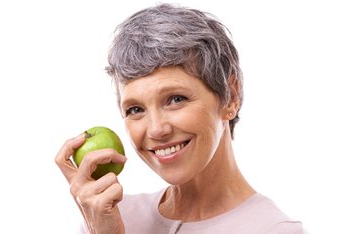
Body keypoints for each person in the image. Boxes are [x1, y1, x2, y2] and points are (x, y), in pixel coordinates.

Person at [55, 3, 307, 234]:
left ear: (230, 97)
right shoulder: (110, 216)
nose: (156, 129)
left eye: (176, 99)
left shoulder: (274, 229)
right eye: (135, 109)